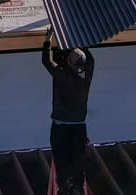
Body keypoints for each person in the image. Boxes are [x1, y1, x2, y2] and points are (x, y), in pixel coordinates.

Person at [43, 30, 94, 195]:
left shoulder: (63, 75)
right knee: (69, 161)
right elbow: (47, 61)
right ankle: (70, 188)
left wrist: (48, 40)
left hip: (66, 126)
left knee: (69, 161)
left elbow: (47, 60)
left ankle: (72, 187)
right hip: (75, 126)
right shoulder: (85, 75)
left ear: (69, 63)